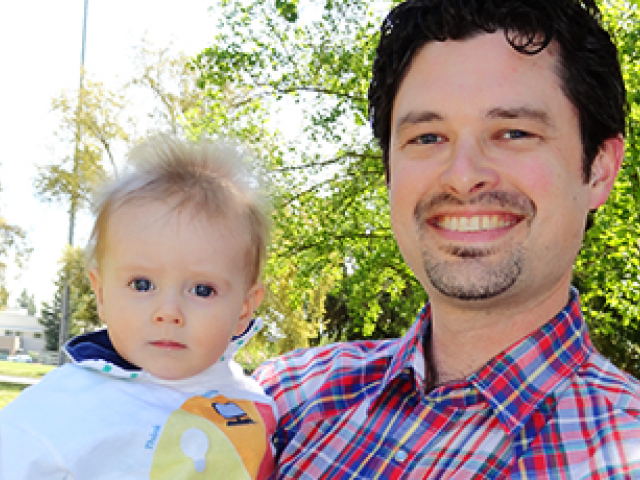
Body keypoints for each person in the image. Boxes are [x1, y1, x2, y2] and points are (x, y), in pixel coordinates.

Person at [253, 0, 640, 477]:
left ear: (600, 168)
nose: (462, 177)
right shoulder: (277, 402)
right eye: (429, 138)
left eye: (514, 132)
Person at [0, 137, 276, 479]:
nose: (168, 311)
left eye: (202, 290)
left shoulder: (253, 401)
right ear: (101, 295)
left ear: (245, 309)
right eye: (142, 285)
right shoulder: (57, 408)